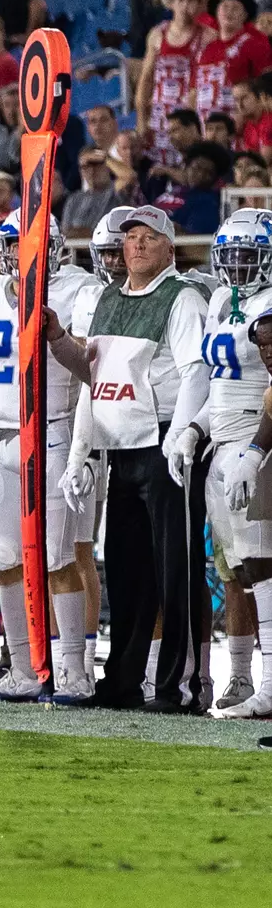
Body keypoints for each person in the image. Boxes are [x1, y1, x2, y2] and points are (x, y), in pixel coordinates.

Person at [48, 206, 210, 713]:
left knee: (174, 569)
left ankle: (177, 688)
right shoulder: (106, 300)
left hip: (164, 444)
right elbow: (92, 377)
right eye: (130, 237)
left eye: (148, 237)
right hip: (121, 448)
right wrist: (55, 336)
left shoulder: (180, 297)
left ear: (168, 246)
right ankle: (120, 682)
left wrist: (183, 434)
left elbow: (195, 372)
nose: (136, 245)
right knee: (124, 570)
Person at [0, 213, 100, 702]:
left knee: (58, 558)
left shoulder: (77, 291)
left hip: (53, 433)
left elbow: (89, 364)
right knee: (5, 557)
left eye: (27, 243)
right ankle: (23, 669)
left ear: (52, 247)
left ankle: (75, 668)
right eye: (10, 243)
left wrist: (82, 448)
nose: (17, 252)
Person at [192, 217, 272, 718]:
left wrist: (257, 448)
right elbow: (214, 381)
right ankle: (249, 680)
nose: (239, 264)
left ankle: (268, 684)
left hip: (256, 437)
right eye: (232, 253)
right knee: (240, 569)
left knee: (264, 565)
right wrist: (195, 428)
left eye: (250, 253)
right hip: (222, 441)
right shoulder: (223, 301)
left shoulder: (268, 305)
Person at [139, 0, 216, 167]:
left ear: (199, 5)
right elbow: (146, 77)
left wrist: (191, 110)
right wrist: (142, 117)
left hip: (190, 107)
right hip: (160, 108)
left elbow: (206, 78)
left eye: (191, 0)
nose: (185, 5)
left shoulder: (207, 36)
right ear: (172, 2)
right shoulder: (158, 34)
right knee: (159, 161)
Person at [62, 149, 120, 236]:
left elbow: (130, 176)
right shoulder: (74, 199)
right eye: (85, 167)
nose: (92, 171)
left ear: (108, 166)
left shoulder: (118, 192)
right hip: (76, 248)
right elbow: (65, 232)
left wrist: (106, 158)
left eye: (96, 164)